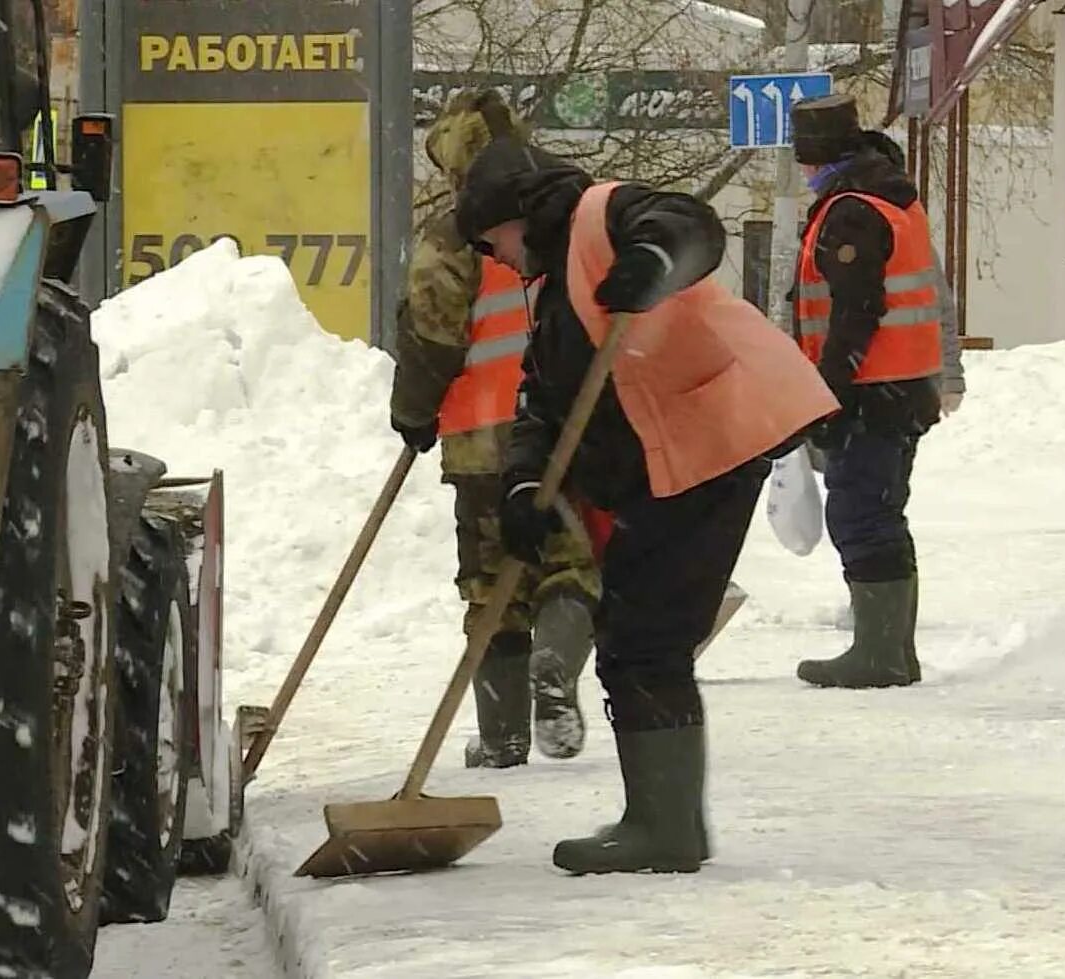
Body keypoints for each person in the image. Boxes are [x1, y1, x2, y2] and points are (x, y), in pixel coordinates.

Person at [454, 137, 837, 874]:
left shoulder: (603, 217)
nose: (491, 255)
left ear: (514, 213)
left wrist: (650, 265)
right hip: (679, 458)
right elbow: (544, 398)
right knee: (636, 631)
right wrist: (524, 487)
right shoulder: (552, 287)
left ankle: (663, 828)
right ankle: (661, 820)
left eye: (488, 237)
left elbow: (690, 225)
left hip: (715, 438)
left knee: (643, 638)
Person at [389, 90, 603, 767]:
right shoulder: (572, 207)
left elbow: (430, 332)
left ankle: (504, 731)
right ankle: (555, 666)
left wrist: (412, 412)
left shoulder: (456, 232)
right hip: (570, 428)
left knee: (489, 582)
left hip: (485, 439)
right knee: (570, 563)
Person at [787, 94, 950, 689]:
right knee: (879, 511)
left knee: (861, 514)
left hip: (871, 389)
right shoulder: (886, 196)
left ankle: (880, 653)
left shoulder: (851, 211)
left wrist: (830, 390)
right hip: (899, 386)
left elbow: (855, 310)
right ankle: (892, 650)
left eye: (804, 160)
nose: (802, 172)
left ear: (819, 157)